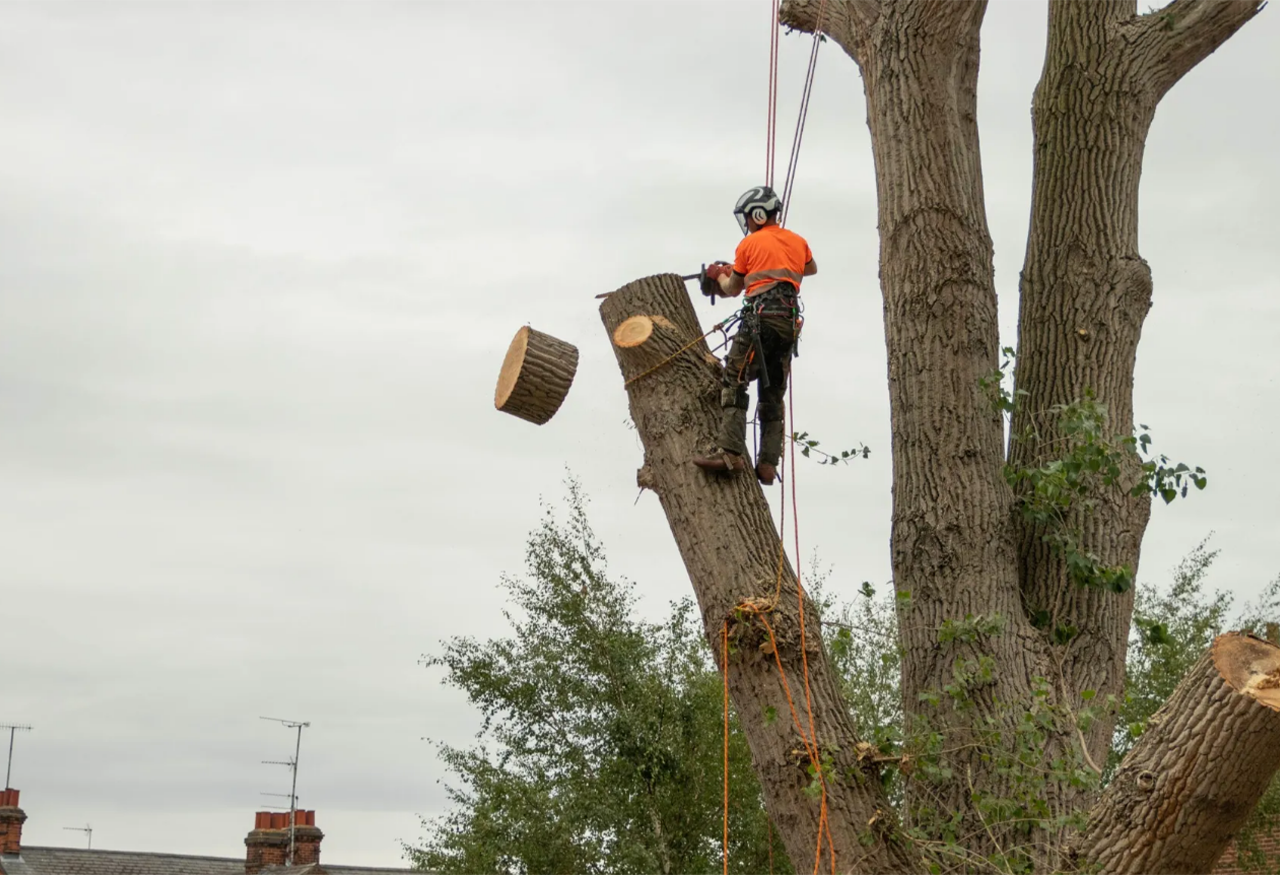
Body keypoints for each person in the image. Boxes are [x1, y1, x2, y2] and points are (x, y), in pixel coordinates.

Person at [693, 185, 816, 485]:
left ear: (758, 215)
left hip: (759, 322)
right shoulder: (798, 242)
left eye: (749, 218)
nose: (747, 224)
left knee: (734, 377)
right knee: (772, 391)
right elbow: (809, 269)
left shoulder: (748, 245)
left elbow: (732, 289)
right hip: (787, 324)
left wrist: (719, 274)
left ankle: (731, 452)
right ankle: (768, 464)